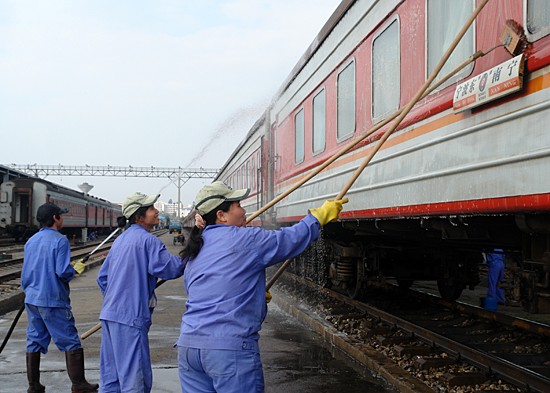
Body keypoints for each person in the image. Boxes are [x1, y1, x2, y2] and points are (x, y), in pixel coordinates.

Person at [177, 181, 348, 393]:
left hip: (189, 348)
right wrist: (317, 218)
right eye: (238, 205)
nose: (244, 210)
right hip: (229, 351)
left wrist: (254, 296)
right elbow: (289, 240)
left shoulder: (196, 248)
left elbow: (210, 291)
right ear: (221, 215)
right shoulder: (244, 238)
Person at [97, 192, 186, 392]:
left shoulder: (120, 240)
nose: (156, 212)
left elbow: (102, 278)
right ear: (139, 217)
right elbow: (170, 268)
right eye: (152, 209)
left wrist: (117, 298)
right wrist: (191, 255)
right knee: (134, 381)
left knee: (112, 380)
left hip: (110, 315)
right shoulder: (148, 241)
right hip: (131, 318)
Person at [21, 202, 98, 393]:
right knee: (70, 340)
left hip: (32, 298)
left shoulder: (31, 241)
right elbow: (62, 272)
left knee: (34, 340)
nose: (62, 218)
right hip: (52, 299)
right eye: (61, 216)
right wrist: (75, 269)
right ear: (55, 218)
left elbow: (26, 272)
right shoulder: (60, 240)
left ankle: (33, 385)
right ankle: (79, 384)